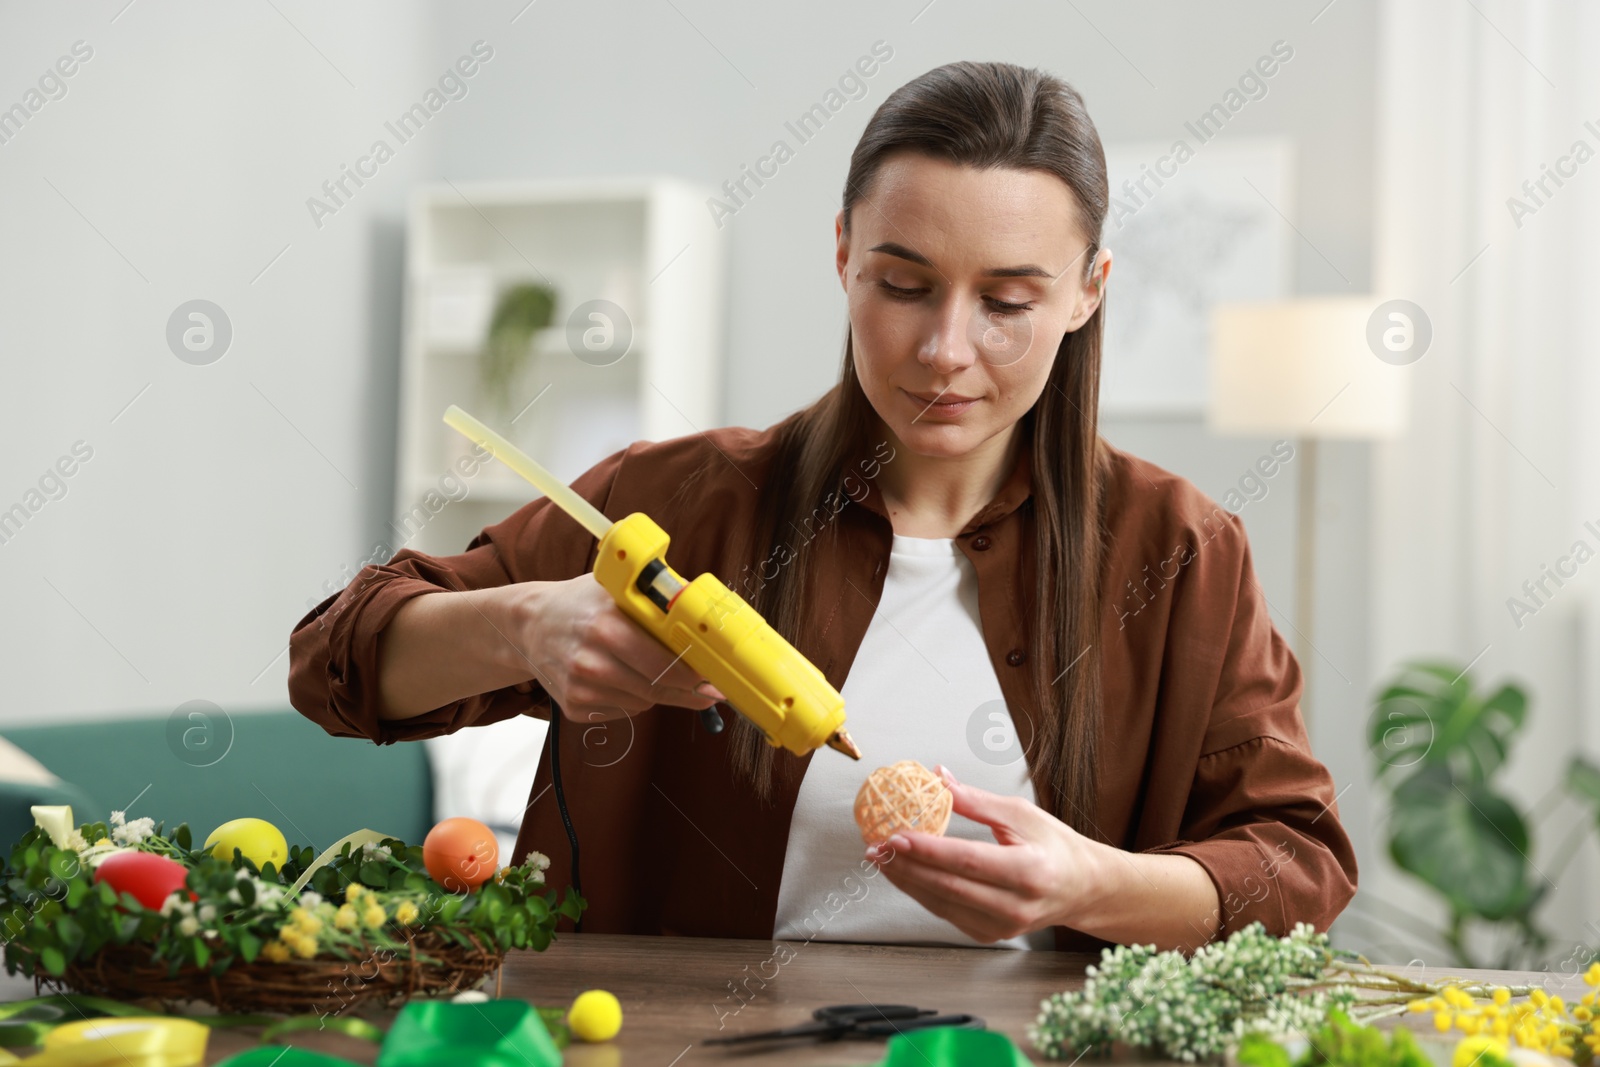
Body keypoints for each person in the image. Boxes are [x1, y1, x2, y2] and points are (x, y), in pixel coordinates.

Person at [288, 60, 1356, 954]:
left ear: (1086, 290)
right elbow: (330, 664)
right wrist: (522, 623)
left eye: (1006, 302)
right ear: (843, 251)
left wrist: (1092, 886)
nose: (944, 349)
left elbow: (1299, 860)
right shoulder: (668, 501)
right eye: (902, 285)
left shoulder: (1180, 550)